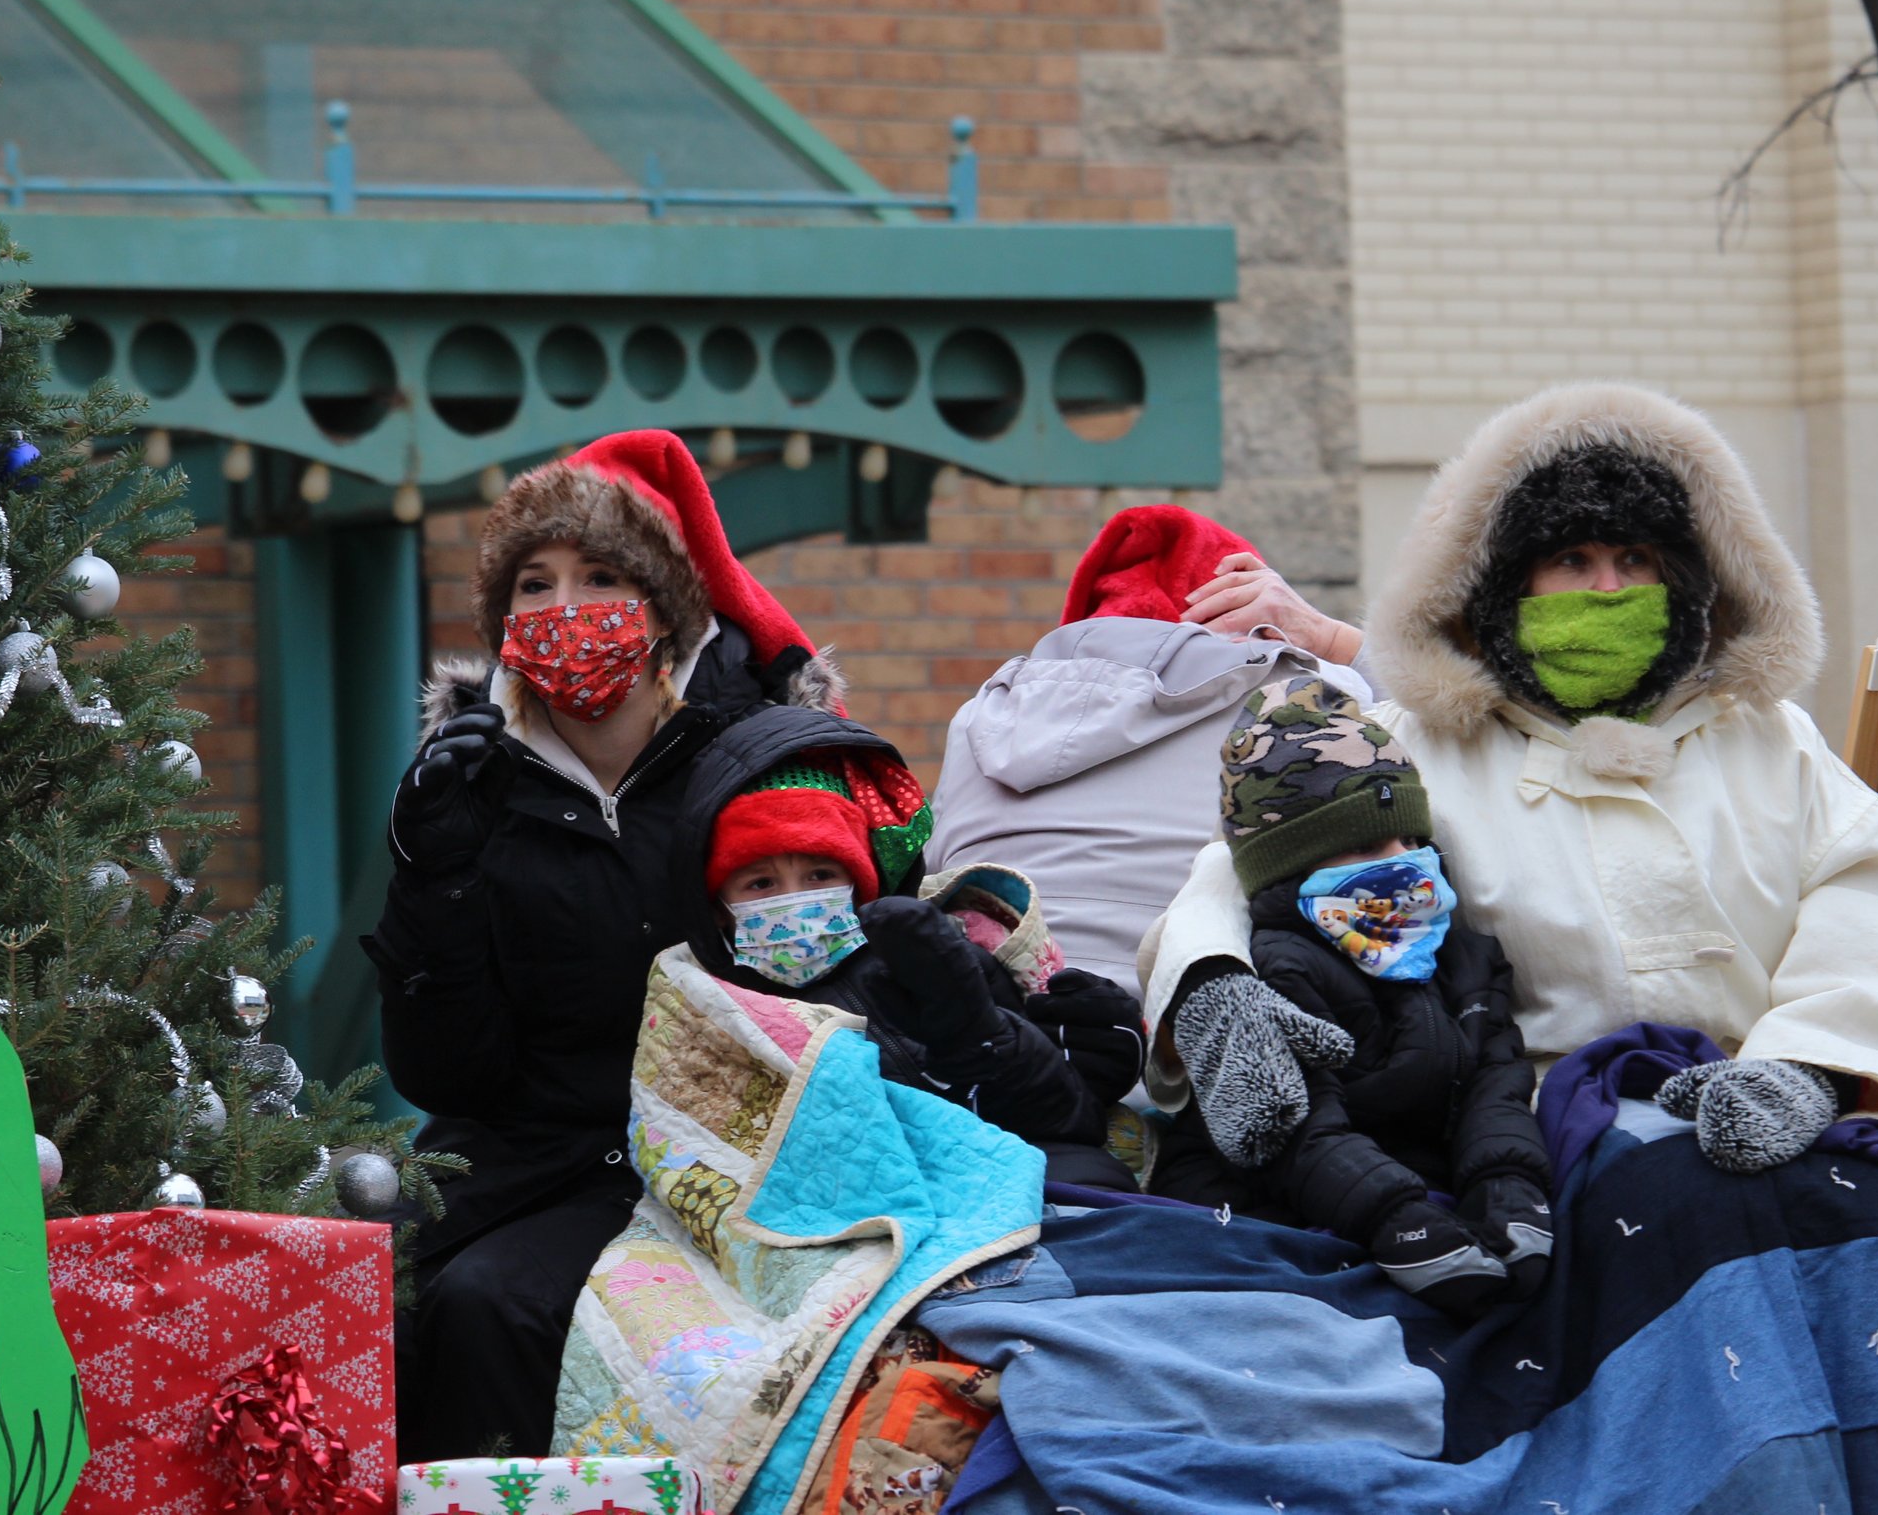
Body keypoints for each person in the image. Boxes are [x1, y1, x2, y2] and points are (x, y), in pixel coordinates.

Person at [1143, 382, 1878, 1177]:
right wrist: (1213, 987)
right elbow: (1230, 878)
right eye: (1573, 559)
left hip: (1777, 1129)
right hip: (1529, 1145)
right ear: (1502, 584)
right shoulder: (1410, 747)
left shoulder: (1775, 743)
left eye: (1634, 558)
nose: (1608, 588)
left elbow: (1867, 912)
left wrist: (1806, 1070)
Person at [365, 430, 845, 1462]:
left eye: (600, 575)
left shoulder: (758, 764)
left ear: (665, 610)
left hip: (739, 1159)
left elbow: (829, 979)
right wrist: (432, 876)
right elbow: (447, 1071)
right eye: (531, 583)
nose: (560, 605)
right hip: (536, 1167)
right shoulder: (470, 785)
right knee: (465, 1302)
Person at [1153, 676, 1553, 1318]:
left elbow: (1495, 1080)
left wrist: (1508, 1184)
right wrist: (1396, 1219)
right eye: (1367, 847)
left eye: (1412, 841)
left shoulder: (1462, 951)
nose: (1405, 865)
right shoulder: (1277, 967)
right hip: (1283, 1197)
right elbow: (1297, 1128)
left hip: (1416, 1187)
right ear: (1294, 864)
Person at [673, 705, 1149, 1192]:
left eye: (820, 876)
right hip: (834, 1201)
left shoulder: (932, 957)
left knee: (1090, 1178)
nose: (794, 901)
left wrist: (974, 1029)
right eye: (760, 883)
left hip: (982, 1175)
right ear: (715, 907)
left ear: (861, 884)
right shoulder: (700, 1003)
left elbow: (1061, 1120)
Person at [928, 504, 1372, 1005]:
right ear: (1258, 623)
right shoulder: (1309, 699)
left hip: (998, 1051)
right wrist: (1336, 640)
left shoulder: (982, 716)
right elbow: (1461, 735)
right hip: (1203, 1056)